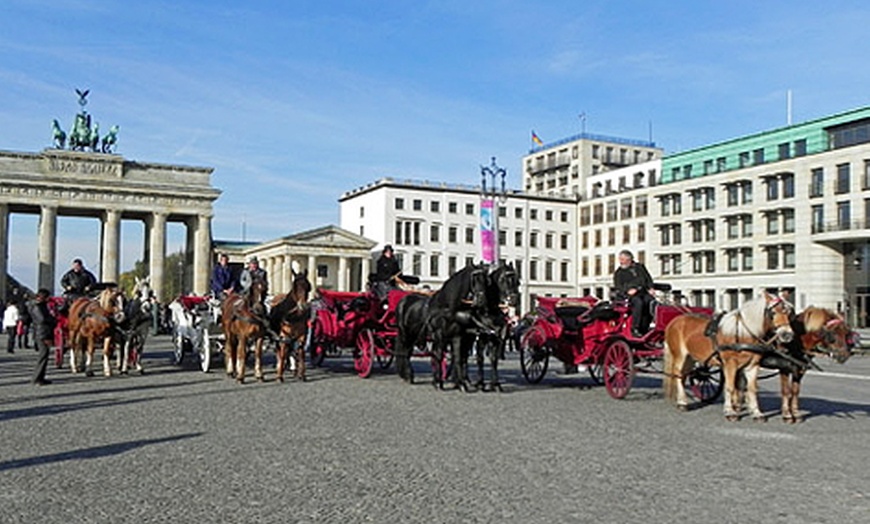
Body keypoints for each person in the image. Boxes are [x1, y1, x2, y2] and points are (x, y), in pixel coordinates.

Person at [613, 249, 655, 337]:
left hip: (643, 292)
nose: (621, 262)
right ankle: (635, 327)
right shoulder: (619, 273)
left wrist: (650, 288)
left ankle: (646, 326)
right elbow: (619, 286)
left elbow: (648, 279)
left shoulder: (640, 267)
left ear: (629, 260)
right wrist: (629, 290)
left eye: (623, 260)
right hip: (629, 296)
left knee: (650, 302)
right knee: (638, 303)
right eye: (620, 259)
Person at [27, 289, 56, 386]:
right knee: (43, 355)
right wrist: (52, 318)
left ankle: (40, 377)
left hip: (41, 332)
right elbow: (42, 319)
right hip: (42, 332)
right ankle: (36, 378)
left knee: (44, 355)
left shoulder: (36, 305)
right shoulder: (37, 306)